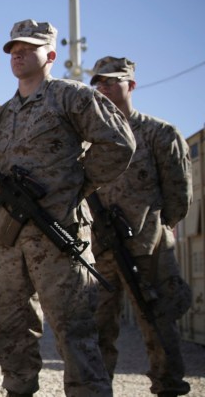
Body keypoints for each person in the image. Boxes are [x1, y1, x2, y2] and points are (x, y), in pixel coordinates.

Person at [0, 19, 136, 396]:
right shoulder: (3, 114)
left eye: (28, 47)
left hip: (59, 234)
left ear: (50, 54)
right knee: (11, 329)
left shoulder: (72, 96)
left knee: (74, 330)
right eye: (13, 48)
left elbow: (119, 143)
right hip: (12, 239)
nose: (18, 53)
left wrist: (76, 184)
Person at [89, 56, 192, 397]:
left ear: (131, 85)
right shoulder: (93, 142)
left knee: (158, 321)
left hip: (149, 249)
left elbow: (179, 195)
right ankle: (99, 389)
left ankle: (168, 387)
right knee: (98, 327)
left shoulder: (159, 134)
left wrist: (158, 230)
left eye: (110, 82)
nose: (102, 88)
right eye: (98, 83)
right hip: (102, 251)